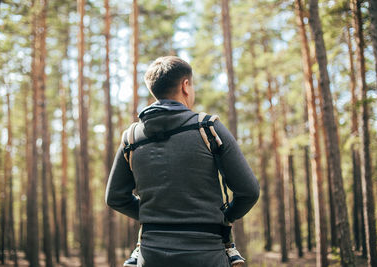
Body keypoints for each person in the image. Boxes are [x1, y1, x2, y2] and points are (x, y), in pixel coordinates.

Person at [105, 56, 260, 267]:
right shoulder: (208, 127)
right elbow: (249, 191)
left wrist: (155, 215)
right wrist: (224, 217)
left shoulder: (131, 137)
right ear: (185, 86)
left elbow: (115, 197)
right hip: (207, 254)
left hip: (151, 256)